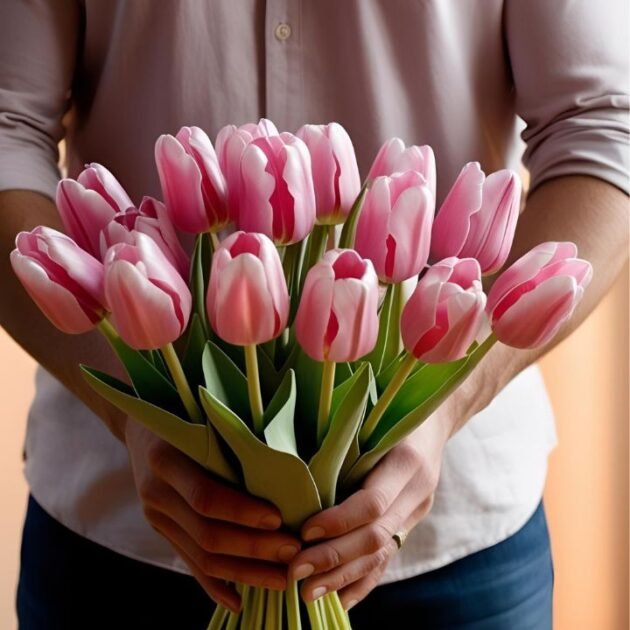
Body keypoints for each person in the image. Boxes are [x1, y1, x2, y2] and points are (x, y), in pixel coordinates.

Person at [0, 1, 627, 628]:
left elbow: (603, 125)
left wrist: (449, 402)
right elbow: (7, 125)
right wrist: (133, 408)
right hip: (123, 531)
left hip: (454, 541)